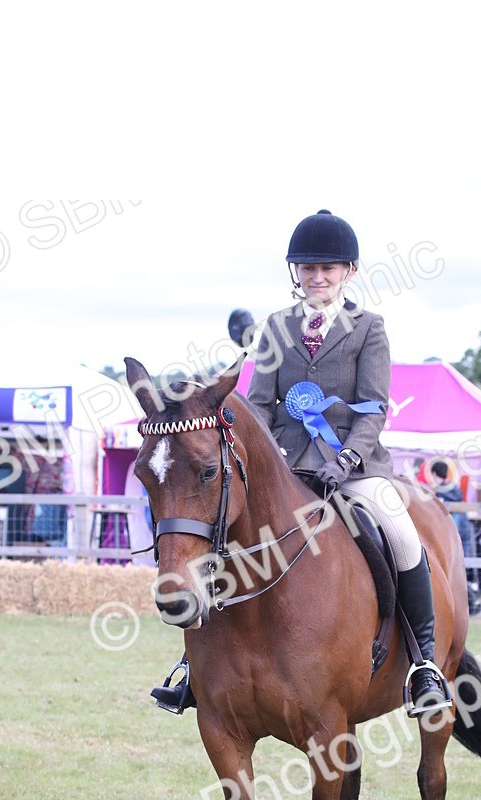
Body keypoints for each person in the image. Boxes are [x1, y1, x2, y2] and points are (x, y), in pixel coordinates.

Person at [153, 208, 453, 719]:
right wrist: (276, 462)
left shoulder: (368, 329)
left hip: (355, 469)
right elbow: (259, 406)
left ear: (348, 272)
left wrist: (351, 457)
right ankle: (193, 666)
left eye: (328, 269)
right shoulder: (274, 329)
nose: (317, 277)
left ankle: (423, 663)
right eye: (308, 268)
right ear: (296, 272)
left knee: (401, 534)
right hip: (286, 469)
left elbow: (374, 405)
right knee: (224, 535)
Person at [429, 459, 481, 615]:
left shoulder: (440, 494)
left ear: (434, 474)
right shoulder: (456, 490)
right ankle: (472, 602)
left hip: (450, 539)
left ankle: (471, 604)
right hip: (463, 536)